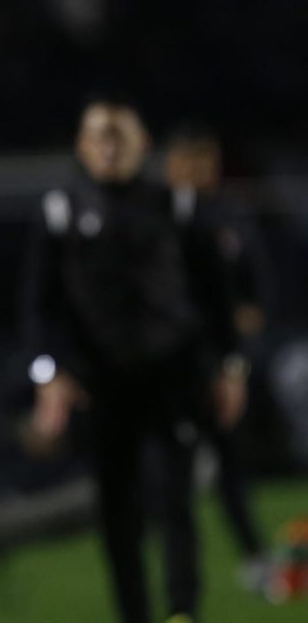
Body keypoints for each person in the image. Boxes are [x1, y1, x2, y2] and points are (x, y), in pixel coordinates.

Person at [21, 98, 241, 623]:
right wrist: (48, 374)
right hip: (102, 383)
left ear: (143, 144)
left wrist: (231, 367)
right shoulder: (62, 212)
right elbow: (36, 307)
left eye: (121, 135)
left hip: (173, 375)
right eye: (100, 135)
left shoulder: (177, 206)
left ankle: (183, 611)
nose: (111, 146)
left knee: (176, 497)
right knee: (117, 510)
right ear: (82, 145)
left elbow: (217, 297)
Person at [163, 126, 272, 589]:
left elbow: (256, 295)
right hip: (168, 366)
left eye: (208, 163)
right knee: (172, 481)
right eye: (192, 162)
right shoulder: (156, 218)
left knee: (230, 467)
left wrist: (238, 353)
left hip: (220, 364)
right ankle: (180, 588)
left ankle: (254, 557)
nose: (201, 173)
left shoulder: (231, 218)